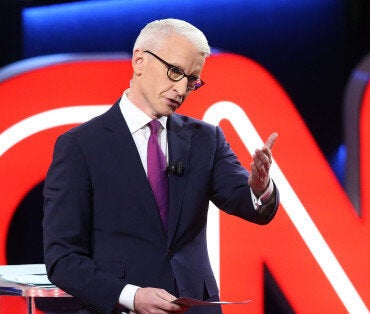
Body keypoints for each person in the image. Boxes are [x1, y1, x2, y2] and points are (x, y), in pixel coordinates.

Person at [42, 18, 279, 314]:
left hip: (194, 307)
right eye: (175, 71)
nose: (181, 88)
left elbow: (246, 202)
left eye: (192, 80)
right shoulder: (81, 146)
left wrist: (260, 188)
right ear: (139, 61)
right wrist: (131, 295)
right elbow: (62, 259)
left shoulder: (206, 138)